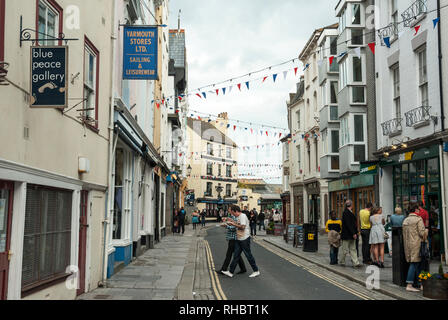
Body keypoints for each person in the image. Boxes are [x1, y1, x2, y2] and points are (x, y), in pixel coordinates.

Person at [222, 205, 260, 278]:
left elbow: (242, 227)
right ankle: (230, 272)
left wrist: (233, 224)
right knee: (236, 255)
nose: (232, 214)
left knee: (248, 255)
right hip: (239, 238)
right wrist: (231, 221)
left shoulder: (242, 216)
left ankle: (256, 271)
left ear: (235, 211)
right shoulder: (238, 217)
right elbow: (238, 224)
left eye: (233, 213)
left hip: (244, 239)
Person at [403, 205, 428, 292]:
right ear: (416, 210)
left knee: (417, 264)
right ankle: (409, 284)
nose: (419, 211)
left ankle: (421, 284)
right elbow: (422, 233)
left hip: (408, 245)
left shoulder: (405, 220)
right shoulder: (418, 219)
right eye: (419, 210)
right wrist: (426, 231)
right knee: (414, 264)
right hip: (417, 244)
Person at [340, 200, 362, 267]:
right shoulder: (346, 212)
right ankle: (342, 261)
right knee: (345, 250)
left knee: (353, 249)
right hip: (347, 234)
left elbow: (352, 224)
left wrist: (356, 232)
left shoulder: (349, 212)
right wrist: (353, 233)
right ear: (351, 205)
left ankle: (356, 263)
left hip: (351, 234)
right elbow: (348, 224)